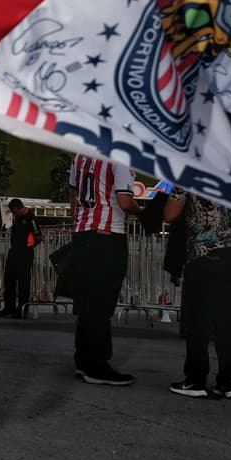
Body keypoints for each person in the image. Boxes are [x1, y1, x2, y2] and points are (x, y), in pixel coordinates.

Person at [165, 189, 231, 399]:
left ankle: (195, 379)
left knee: (198, 320)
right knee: (228, 321)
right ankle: (228, 381)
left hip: (205, 253)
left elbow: (170, 214)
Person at [66, 154, 138, 386]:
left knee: (86, 302)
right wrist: (144, 213)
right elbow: (125, 201)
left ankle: (83, 359)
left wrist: (78, 223)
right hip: (108, 235)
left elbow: (73, 195)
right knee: (102, 303)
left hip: (82, 233)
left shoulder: (79, 155)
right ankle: (97, 365)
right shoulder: (119, 155)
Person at [0, 198, 41, 318]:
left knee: (23, 282)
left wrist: (28, 246)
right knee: (8, 279)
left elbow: (38, 237)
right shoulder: (17, 217)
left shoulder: (31, 218)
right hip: (14, 251)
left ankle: (22, 308)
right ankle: (9, 307)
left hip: (25, 253)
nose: (14, 214)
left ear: (19, 208)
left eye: (15, 212)